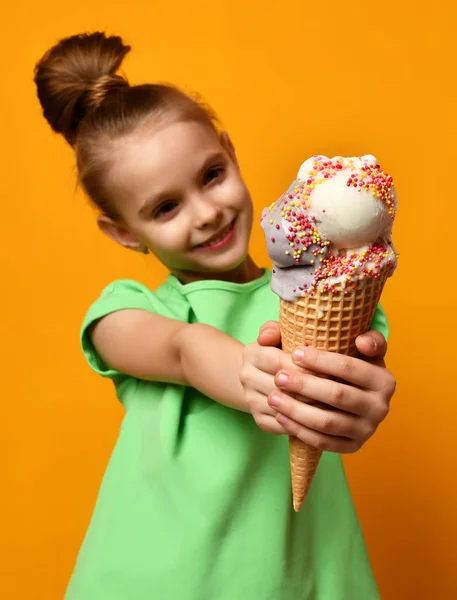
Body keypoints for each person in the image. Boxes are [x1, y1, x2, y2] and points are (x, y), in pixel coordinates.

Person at [34, 31, 396, 600]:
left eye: (211, 175)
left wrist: (356, 405)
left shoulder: (316, 291)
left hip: (297, 577)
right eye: (165, 207)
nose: (205, 213)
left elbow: (357, 389)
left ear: (229, 151)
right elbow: (180, 349)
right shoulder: (132, 311)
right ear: (126, 233)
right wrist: (251, 375)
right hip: (157, 582)